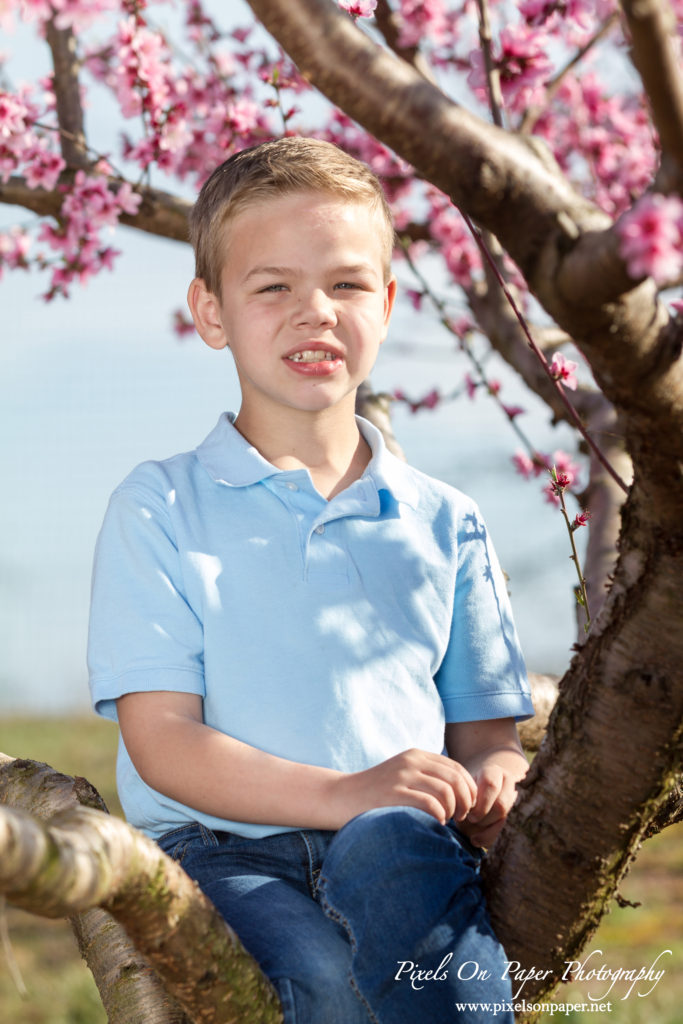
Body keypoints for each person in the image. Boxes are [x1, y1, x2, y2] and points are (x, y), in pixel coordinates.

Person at [88, 136, 534, 1023]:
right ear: (210, 313)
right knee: (320, 989)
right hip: (224, 851)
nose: (314, 313)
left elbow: (487, 735)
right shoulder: (162, 506)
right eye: (273, 287)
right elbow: (163, 743)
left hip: (398, 842)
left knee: (430, 953)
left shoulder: (444, 520)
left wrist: (493, 783)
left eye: (345, 283)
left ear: (388, 302)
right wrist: (342, 791)